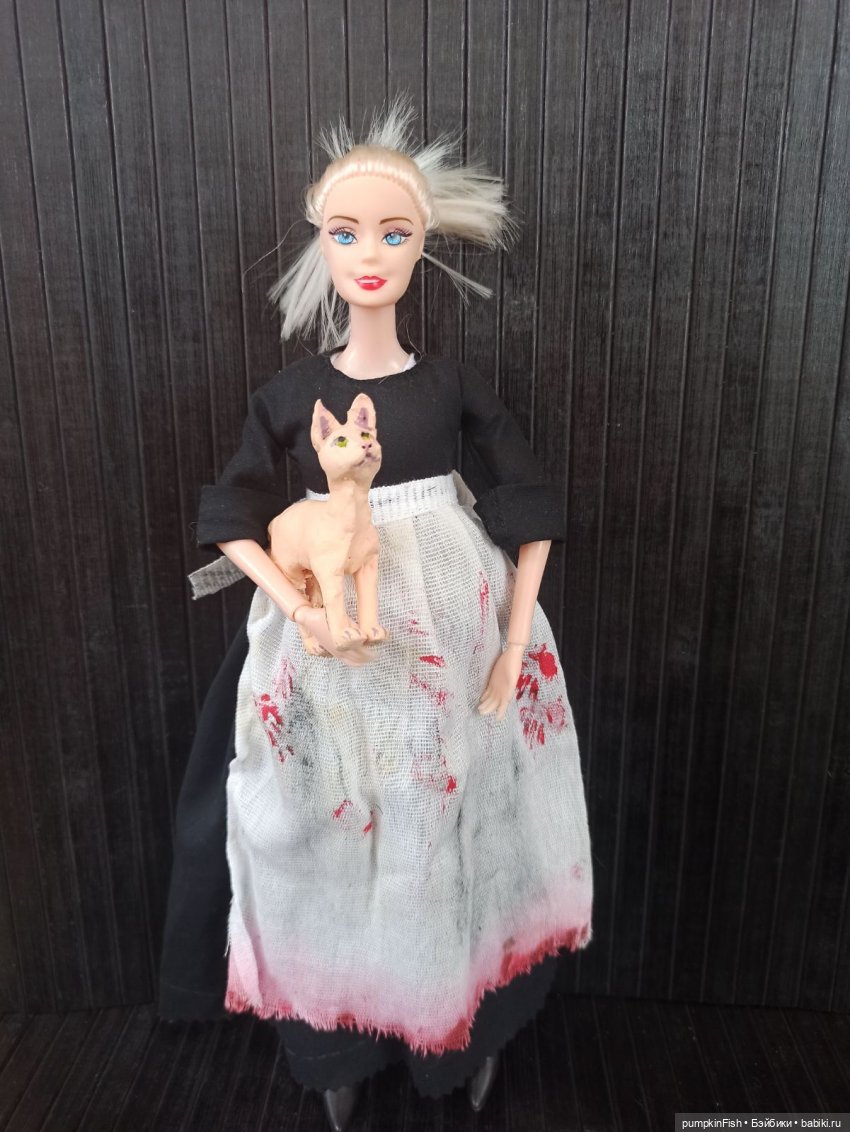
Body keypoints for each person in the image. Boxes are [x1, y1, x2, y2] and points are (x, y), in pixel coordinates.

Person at [158, 97, 593, 1132]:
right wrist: (294, 606)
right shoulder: (291, 395)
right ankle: (335, 1041)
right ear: (321, 241)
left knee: (458, 817)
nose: (369, 255)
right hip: (329, 642)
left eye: (393, 234)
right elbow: (231, 513)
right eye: (346, 233)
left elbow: (529, 499)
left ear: (422, 245)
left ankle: (468, 1028)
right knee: (326, 815)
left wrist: (513, 643)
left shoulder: (446, 386)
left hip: (457, 628)